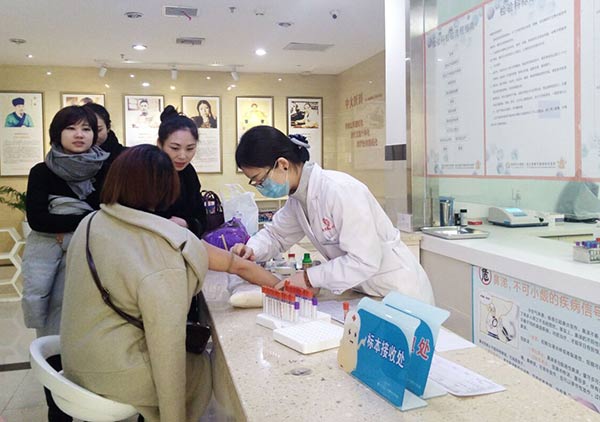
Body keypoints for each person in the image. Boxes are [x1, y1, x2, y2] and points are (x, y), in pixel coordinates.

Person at [60, 145, 279, 422]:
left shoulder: (90, 223)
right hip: (117, 374)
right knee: (203, 366)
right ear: (166, 187)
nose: (183, 154)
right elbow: (167, 350)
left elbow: (235, 264)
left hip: (75, 365)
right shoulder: (167, 244)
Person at [232, 126, 435, 304]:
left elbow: (364, 260)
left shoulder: (340, 191)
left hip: (399, 291)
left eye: (260, 180)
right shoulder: (298, 199)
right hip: (368, 292)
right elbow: (276, 235)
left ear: (283, 164)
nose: (260, 187)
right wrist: (252, 250)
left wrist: (309, 278)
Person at [21, 105, 109, 421]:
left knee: (93, 340)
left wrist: (67, 223)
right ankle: (58, 411)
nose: (79, 134)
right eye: (71, 128)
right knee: (55, 339)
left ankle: (93, 406)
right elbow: (38, 219)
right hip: (52, 269)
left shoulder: (106, 169)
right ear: (57, 133)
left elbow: (112, 214)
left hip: (95, 266)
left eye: (86, 128)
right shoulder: (41, 172)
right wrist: (87, 218)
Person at [156, 105, 207, 237]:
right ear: (160, 144)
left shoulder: (189, 172)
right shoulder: (148, 171)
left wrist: (187, 223)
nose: (183, 156)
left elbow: (202, 219)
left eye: (190, 148)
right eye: (175, 148)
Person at [83, 102, 126, 169]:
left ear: (108, 127)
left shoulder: (127, 157)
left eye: (98, 130)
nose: (93, 136)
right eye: (86, 129)